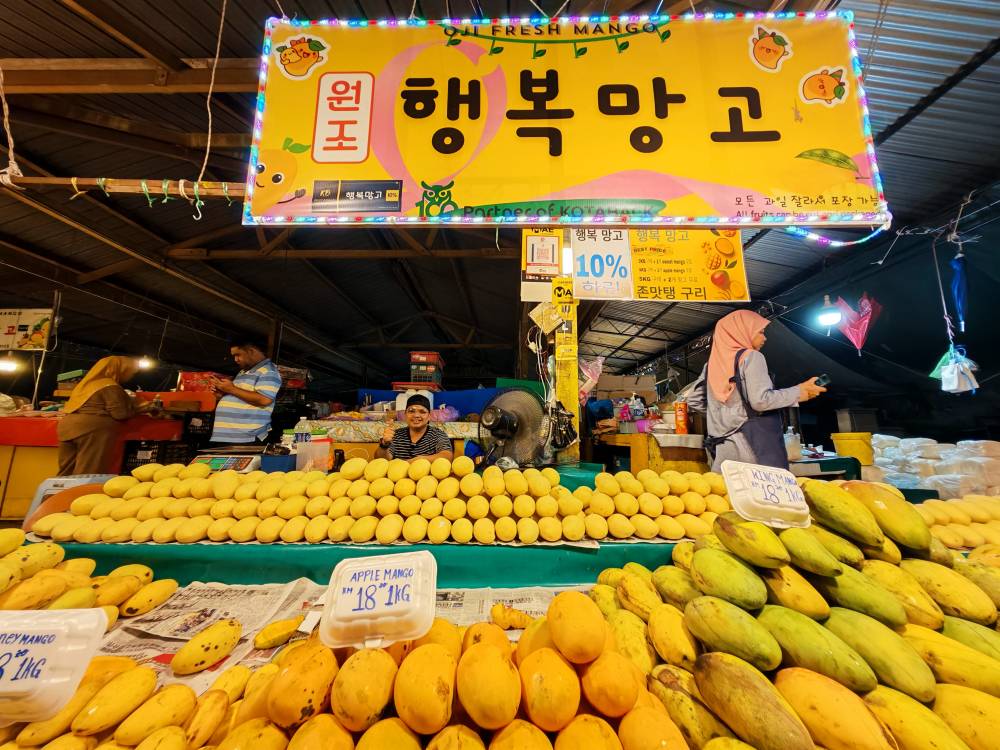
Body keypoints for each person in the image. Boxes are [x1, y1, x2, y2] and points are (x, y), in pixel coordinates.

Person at [687, 310, 826, 471]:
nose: (764, 338)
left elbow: (694, 400)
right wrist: (798, 391)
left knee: (726, 494)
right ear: (742, 331)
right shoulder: (751, 357)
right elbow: (761, 401)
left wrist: (723, 416)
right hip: (751, 448)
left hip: (721, 449)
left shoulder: (711, 365)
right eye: (760, 332)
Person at [57, 356, 152, 475]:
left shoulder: (86, 385)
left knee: (66, 471)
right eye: (130, 372)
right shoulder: (109, 385)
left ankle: (58, 493)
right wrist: (142, 408)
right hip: (91, 431)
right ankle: (83, 493)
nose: (130, 376)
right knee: (88, 469)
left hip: (67, 427)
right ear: (120, 369)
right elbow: (120, 414)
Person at [207, 340, 282, 445]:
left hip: (247, 437)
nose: (236, 359)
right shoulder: (243, 372)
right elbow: (240, 395)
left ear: (251, 351)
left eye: (238, 355)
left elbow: (264, 399)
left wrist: (231, 389)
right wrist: (223, 395)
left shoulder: (269, 371)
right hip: (232, 437)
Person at [376, 394, 453, 462]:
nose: (416, 415)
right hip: (398, 478)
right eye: (411, 411)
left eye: (422, 412)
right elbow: (381, 460)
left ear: (429, 416)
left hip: (428, 478)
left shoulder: (438, 435)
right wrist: (384, 445)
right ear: (405, 414)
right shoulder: (396, 435)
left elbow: (447, 456)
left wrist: (419, 460)